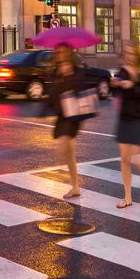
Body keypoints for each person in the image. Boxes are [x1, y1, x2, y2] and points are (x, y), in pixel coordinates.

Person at [111, 42, 140, 208]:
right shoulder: (123, 70)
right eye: (126, 54)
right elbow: (116, 93)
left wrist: (132, 85)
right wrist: (114, 85)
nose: (129, 57)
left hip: (138, 116)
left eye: (132, 53)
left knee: (134, 156)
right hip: (125, 116)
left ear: (137, 55)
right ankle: (128, 197)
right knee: (125, 158)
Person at [48, 43, 86, 199]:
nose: (60, 53)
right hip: (62, 114)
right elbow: (52, 94)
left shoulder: (77, 69)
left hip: (73, 114)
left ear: (69, 52)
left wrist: (69, 76)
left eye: (63, 51)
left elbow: (79, 88)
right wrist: (61, 77)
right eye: (58, 51)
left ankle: (74, 185)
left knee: (63, 144)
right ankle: (75, 186)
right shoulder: (55, 71)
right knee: (70, 153)